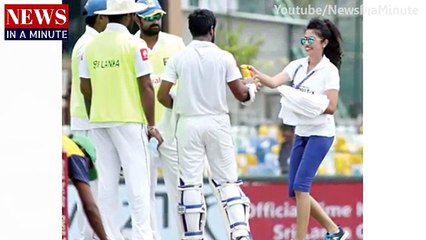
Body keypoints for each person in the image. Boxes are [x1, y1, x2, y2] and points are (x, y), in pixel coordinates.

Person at [157, 9, 259, 240]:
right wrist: (251, 86)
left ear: (190, 30)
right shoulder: (224, 57)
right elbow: (241, 94)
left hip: (188, 124)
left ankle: (193, 235)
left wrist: (182, 103)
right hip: (217, 122)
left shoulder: (179, 58)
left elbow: (162, 96)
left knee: (191, 183)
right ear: (212, 30)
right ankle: (240, 232)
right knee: (227, 181)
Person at [247, 17, 348, 240]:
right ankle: (334, 229)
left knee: (302, 187)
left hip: (320, 134)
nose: (307, 43)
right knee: (293, 190)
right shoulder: (297, 65)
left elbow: (330, 106)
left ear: (324, 42)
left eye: (312, 39)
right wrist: (256, 74)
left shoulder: (329, 71)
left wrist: (302, 101)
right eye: (305, 38)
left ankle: (299, 238)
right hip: (301, 132)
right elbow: (274, 82)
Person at [79, 0, 163, 239]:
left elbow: (85, 88)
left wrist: (100, 106)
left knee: (107, 184)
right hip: (129, 119)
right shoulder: (135, 45)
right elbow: (147, 87)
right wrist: (152, 125)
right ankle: (142, 236)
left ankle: (110, 235)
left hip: (99, 119)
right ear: (128, 17)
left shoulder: (91, 47)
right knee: (139, 182)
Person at [133, 1, 185, 239]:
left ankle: (188, 235)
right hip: (141, 131)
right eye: (149, 16)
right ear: (137, 19)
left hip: (172, 131)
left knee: (181, 192)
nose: (155, 20)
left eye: (158, 15)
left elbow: (187, 81)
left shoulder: (174, 44)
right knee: (145, 194)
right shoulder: (130, 44)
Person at [69, 0, 107, 238]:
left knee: (93, 187)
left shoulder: (87, 42)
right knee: (92, 188)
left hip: (85, 121)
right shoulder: (90, 44)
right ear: (100, 18)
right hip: (88, 123)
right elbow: (90, 88)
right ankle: (87, 236)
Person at [62, 134, 108, 240]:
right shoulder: (75, 153)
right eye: (87, 166)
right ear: (83, 151)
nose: (85, 171)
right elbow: (90, 207)